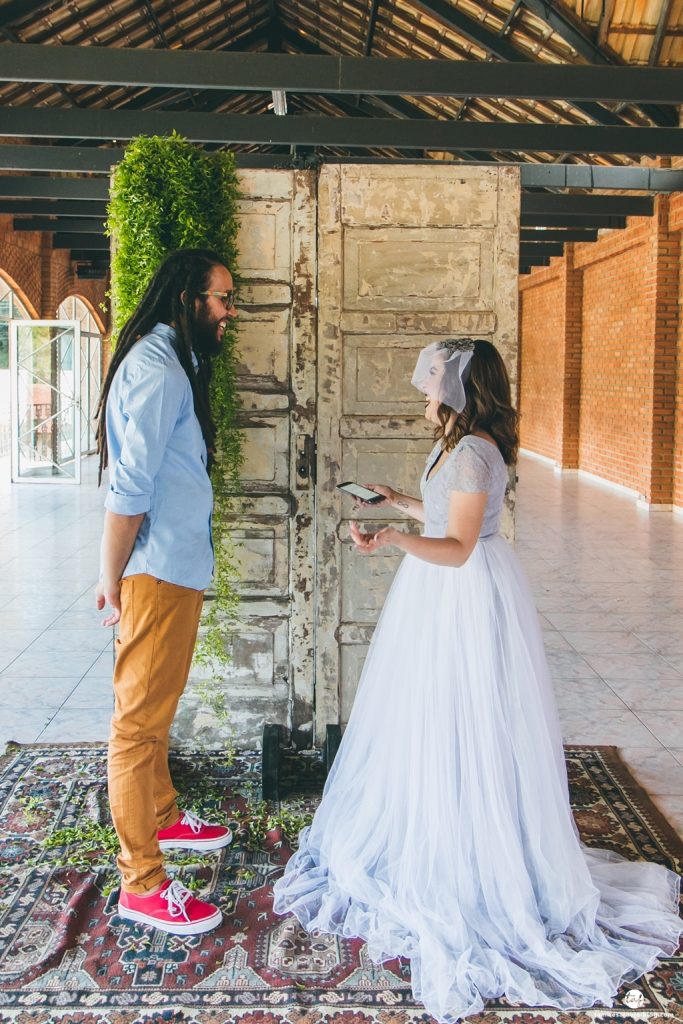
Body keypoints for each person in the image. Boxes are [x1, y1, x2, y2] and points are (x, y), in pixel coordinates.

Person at [273, 339, 682, 1022]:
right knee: (432, 713)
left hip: (462, 595)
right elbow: (443, 519)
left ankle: (471, 845)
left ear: (460, 388)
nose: (422, 391)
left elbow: (458, 549)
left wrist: (392, 540)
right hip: (441, 592)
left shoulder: (473, 451)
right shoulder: (458, 444)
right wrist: (398, 504)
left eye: (432, 380)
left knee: (463, 713)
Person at [95, 248, 238, 936]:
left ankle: (161, 815)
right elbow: (129, 484)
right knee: (136, 725)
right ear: (186, 297)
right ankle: (142, 882)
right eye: (220, 299)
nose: (227, 313)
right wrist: (110, 574)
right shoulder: (157, 370)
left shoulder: (173, 363)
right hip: (154, 568)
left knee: (157, 709)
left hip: (175, 564)